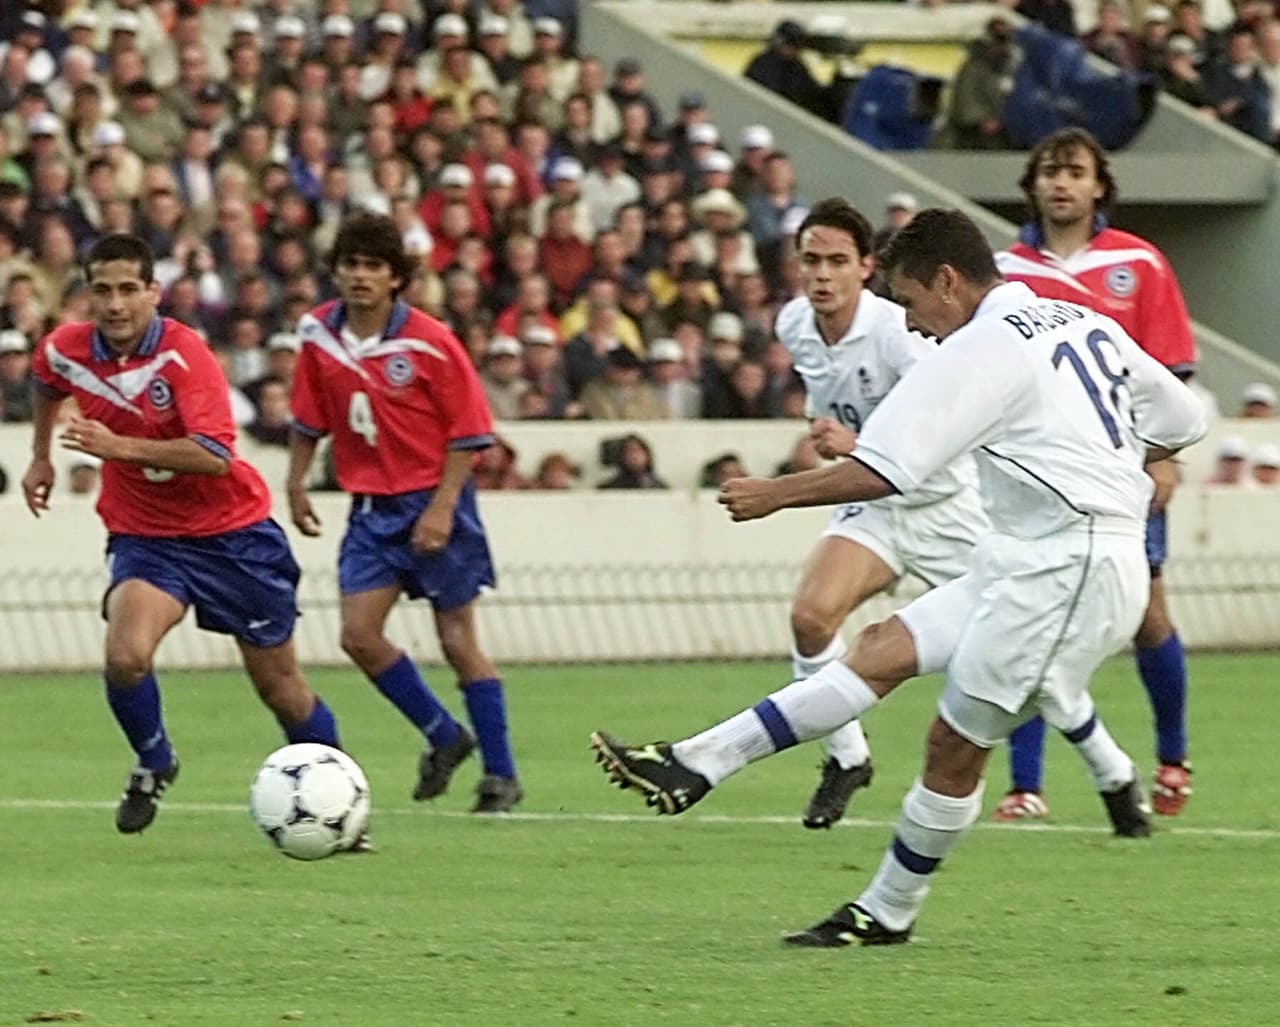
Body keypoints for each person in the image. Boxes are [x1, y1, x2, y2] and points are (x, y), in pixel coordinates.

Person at [591, 207, 1207, 946]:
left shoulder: (978, 348)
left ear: (947, 281)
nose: (911, 323)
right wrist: (1115, 463)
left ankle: (888, 910)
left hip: (1071, 568)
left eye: (911, 301)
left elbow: (884, 469)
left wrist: (774, 493)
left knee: (954, 744)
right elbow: (1183, 418)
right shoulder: (1076, 320)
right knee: (880, 647)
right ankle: (698, 761)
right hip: (1025, 552)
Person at [21, 233, 349, 838]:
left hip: (233, 536)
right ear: (86, 294)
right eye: (102, 290)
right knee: (126, 657)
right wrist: (40, 456)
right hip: (147, 535)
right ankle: (154, 761)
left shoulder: (184, 354)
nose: (115, 304)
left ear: (154, 292)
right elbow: (46, 379)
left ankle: (340, 805)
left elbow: (214, 454)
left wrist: (119, 447)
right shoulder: (66, 348)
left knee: (280, 688)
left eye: (128, 289)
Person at [285, 212, 522, 814]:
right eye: (351, 264)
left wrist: (441, 509)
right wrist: (295, 482)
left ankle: (500, 774)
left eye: (374, 266)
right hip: (370, 508)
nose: (360, 276)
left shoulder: (430, 340)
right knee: (359, 636)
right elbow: (309, 416)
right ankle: (444, 735)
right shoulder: (317, 333)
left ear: (396, 277)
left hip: (435, 499)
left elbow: (469, 432)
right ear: (336, 271)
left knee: (457, 638)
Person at [994, 128, 1199, 821]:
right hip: (1039, 468)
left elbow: (1170, 371)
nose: (1061, 183)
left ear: (1099, 186)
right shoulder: (1007, 270)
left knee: (1147, 614)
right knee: (1027, 613)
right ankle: (1025, 786)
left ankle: (1173, 757)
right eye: (1050, 171)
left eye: (1075, 171)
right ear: (1032, 185)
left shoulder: (1138, 263)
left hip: (1123, 464)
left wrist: (1164, 456)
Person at [773, 198, 989, 829]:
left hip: (945, 505)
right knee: (811, 618)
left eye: (837, 261)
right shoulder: (793, 324)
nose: (822, 274)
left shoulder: (899, 331)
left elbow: (941, 423)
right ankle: (847, 759)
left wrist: (857, 443)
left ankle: (1111, 772)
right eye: (811, 260)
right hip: (875, 504)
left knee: (1007, 638)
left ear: (866, 267)